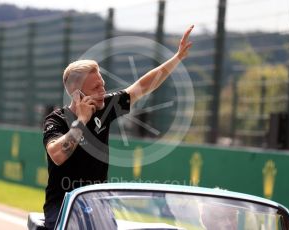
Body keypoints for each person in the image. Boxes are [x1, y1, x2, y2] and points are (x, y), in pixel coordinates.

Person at [42, 25, 194, 229]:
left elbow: (143, 86)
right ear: (77, 93)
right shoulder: (57, 119)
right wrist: (81, 121)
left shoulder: (105, 109)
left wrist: (177, 58)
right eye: (96, 87)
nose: (103, 90)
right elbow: (57, 155)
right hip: (62, 206)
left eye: (102, 84)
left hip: (97, 204)